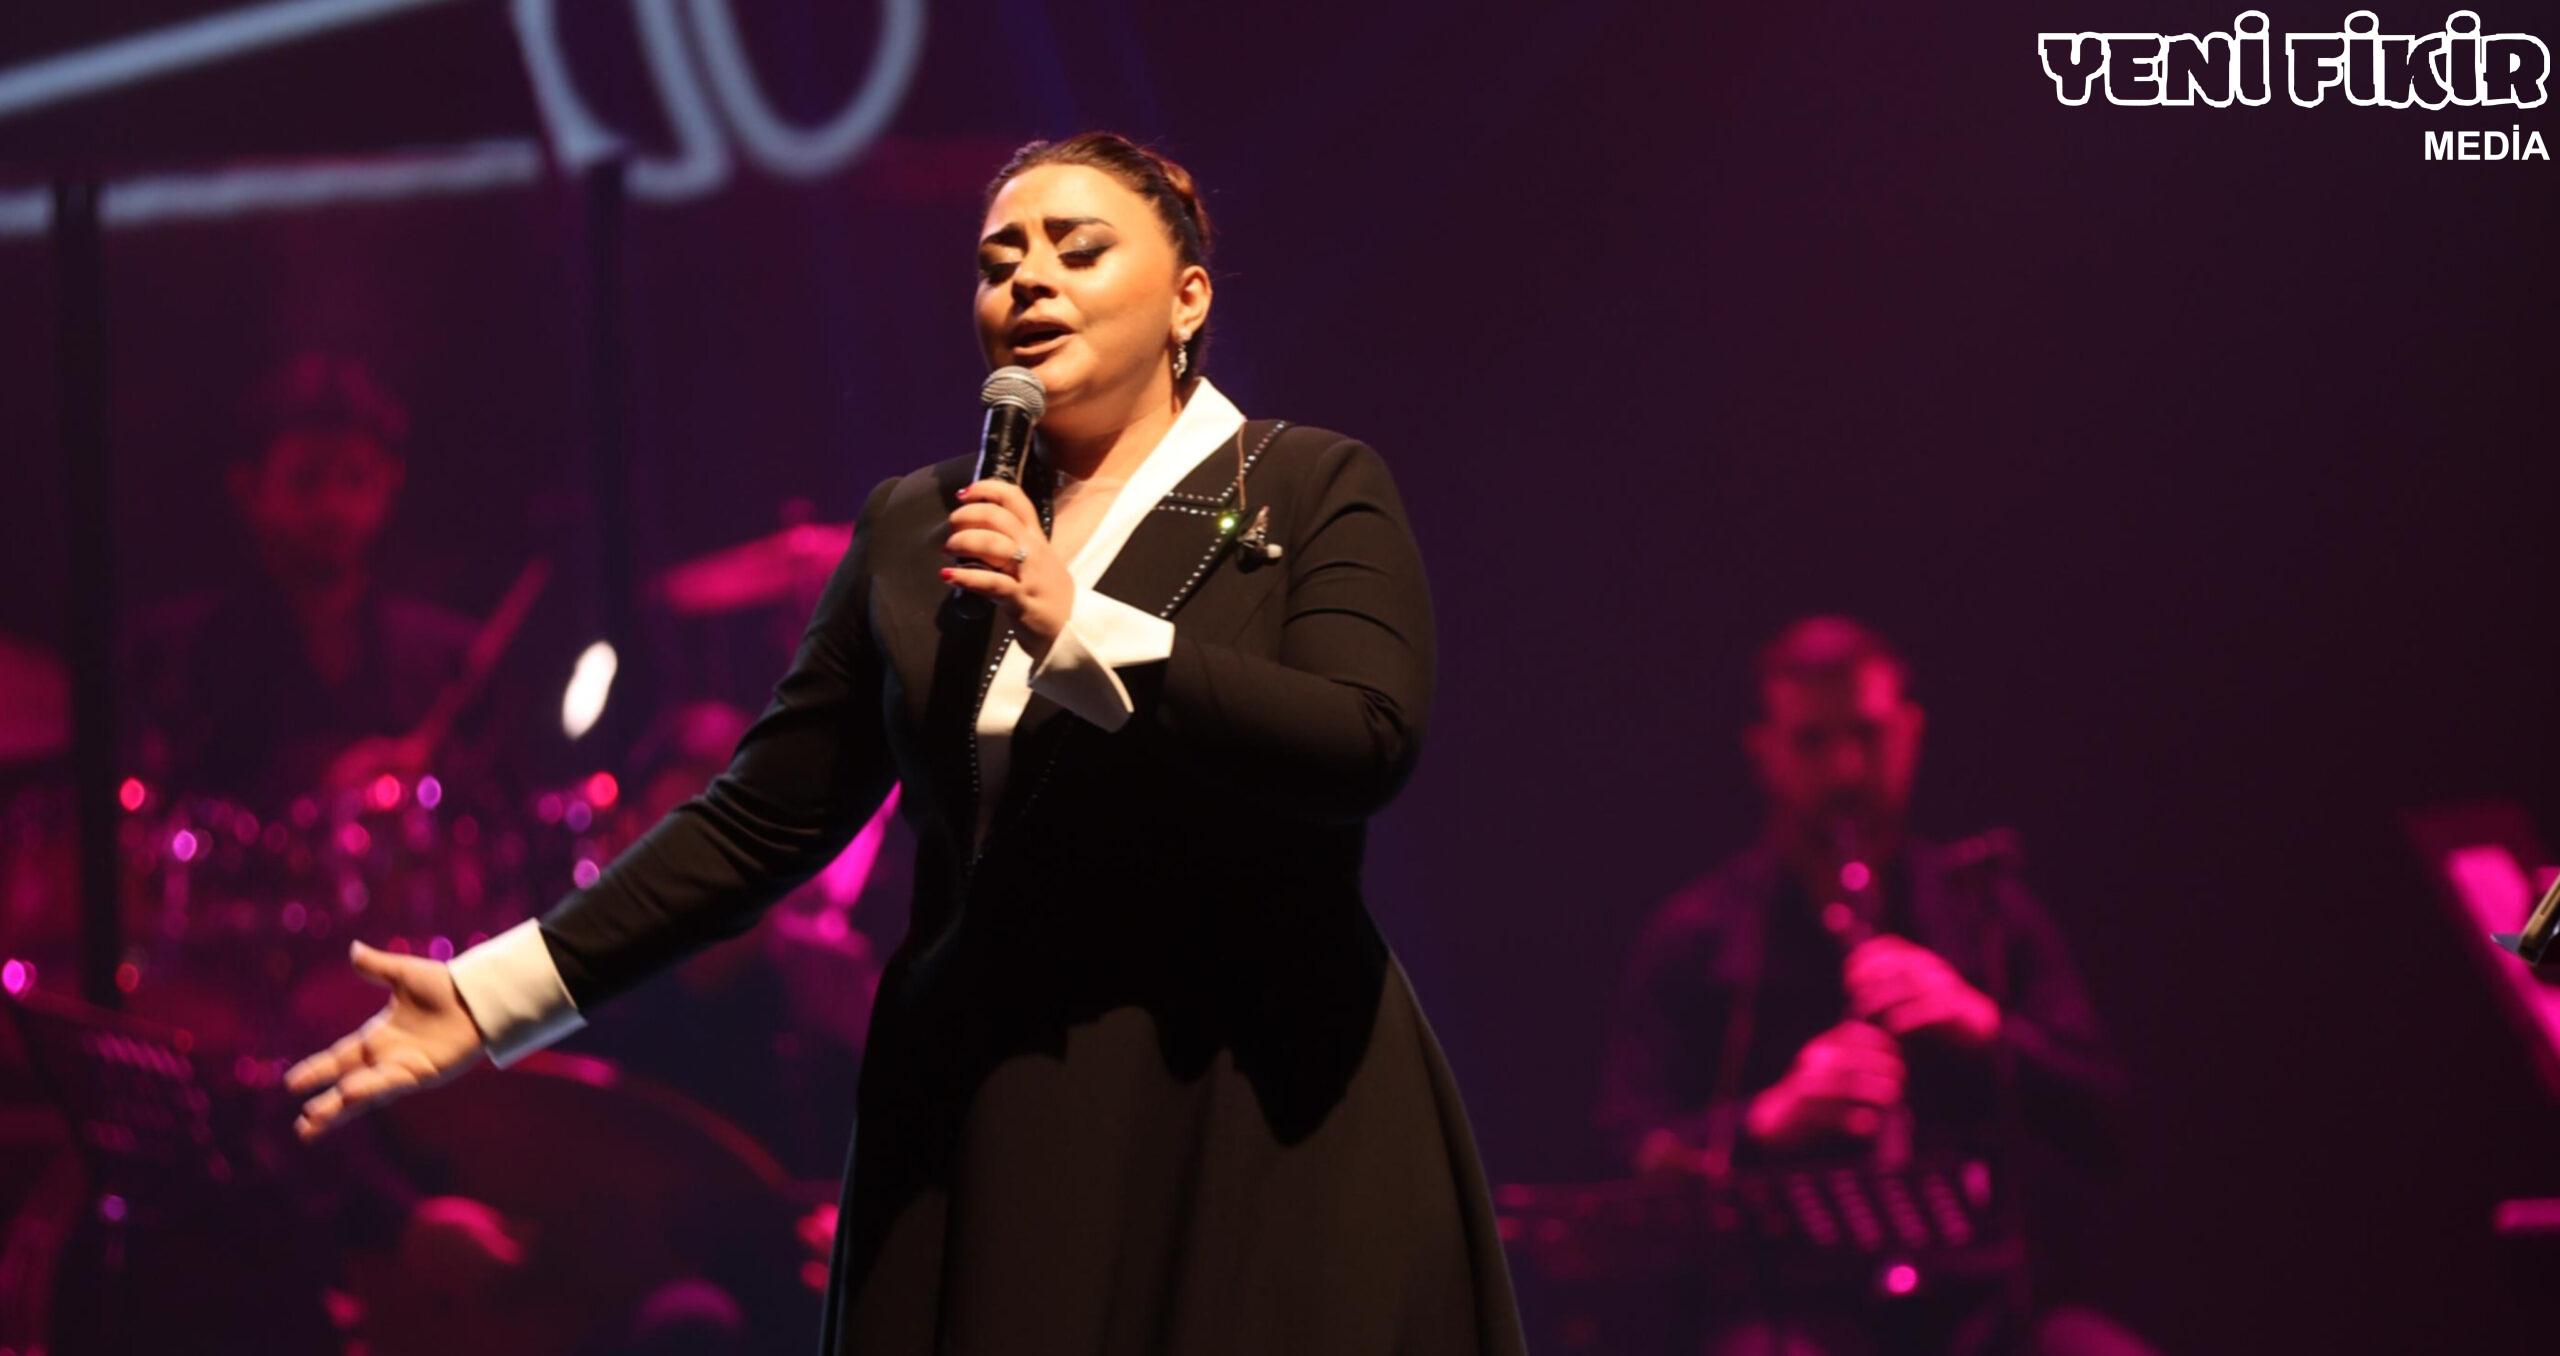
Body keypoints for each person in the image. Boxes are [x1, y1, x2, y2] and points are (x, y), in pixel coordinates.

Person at [287, 132, 1529, 1355]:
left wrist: (1077, 625)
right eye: (999, 262)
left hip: (1247, 1086)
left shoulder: (1304, 488)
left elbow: (1361, 741)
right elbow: (761, 818)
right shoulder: (916, 525)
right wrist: (496, 990)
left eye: (1077, 250)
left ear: (1188, 299)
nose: (1027, 279)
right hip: (990, 1104)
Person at [1595, 617, 2148, 1356]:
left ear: (1912, 732)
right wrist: (1767, 1120)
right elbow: (1626, 1154)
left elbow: (2111, 1124)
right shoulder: (1699, 934)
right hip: (1789, 1310)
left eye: (1868, 734)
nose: (1847, 771)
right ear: (1763, 752)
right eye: (1812, 742)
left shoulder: (1985, 912)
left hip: (1985, 1313)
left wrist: (1982, 1026)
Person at [127, 352, 489, 808]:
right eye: (306, 480)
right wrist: (321, 792)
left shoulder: (449, 664)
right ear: (249, 489)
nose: (333, 507)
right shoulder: (171, 661)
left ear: (389, 486)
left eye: (356, 479)